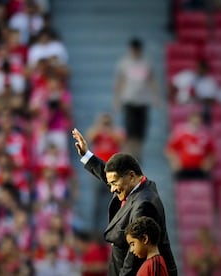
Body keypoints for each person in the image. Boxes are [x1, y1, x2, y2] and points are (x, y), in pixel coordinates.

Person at [71, 128, 177, 276]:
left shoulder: (143, 205)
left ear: (131, 176)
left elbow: (134, 256)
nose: (112, 189)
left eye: (114, 183)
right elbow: (109, 175)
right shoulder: (138, 186)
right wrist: (86, 155)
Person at [114, 38, 159, 161]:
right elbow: (120, 82)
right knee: (130, 131)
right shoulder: (124, 63)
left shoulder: (146, 63)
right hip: (129, 100)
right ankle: (129, 154)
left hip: (143, 101)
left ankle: (138, 155)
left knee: (141, 131)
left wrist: (155, 97)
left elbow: (152, 80)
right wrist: (117, 100)